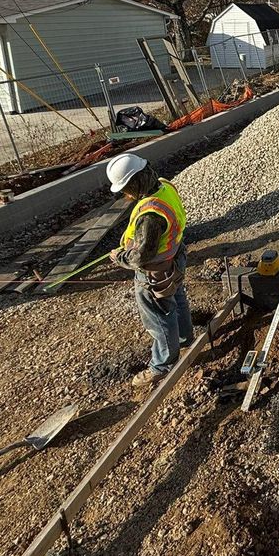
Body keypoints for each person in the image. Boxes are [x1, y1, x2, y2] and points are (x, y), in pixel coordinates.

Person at [106, 153, 192, 388]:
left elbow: (141, 256)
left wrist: (120, 257)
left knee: (159, 316)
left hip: (156, 271)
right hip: (175, 256)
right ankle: (185, 340)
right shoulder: (164, 186)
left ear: (134, 183)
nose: (126, 195)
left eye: (126, 189)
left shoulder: (150, 216)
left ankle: (162, 365)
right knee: (177, 300)